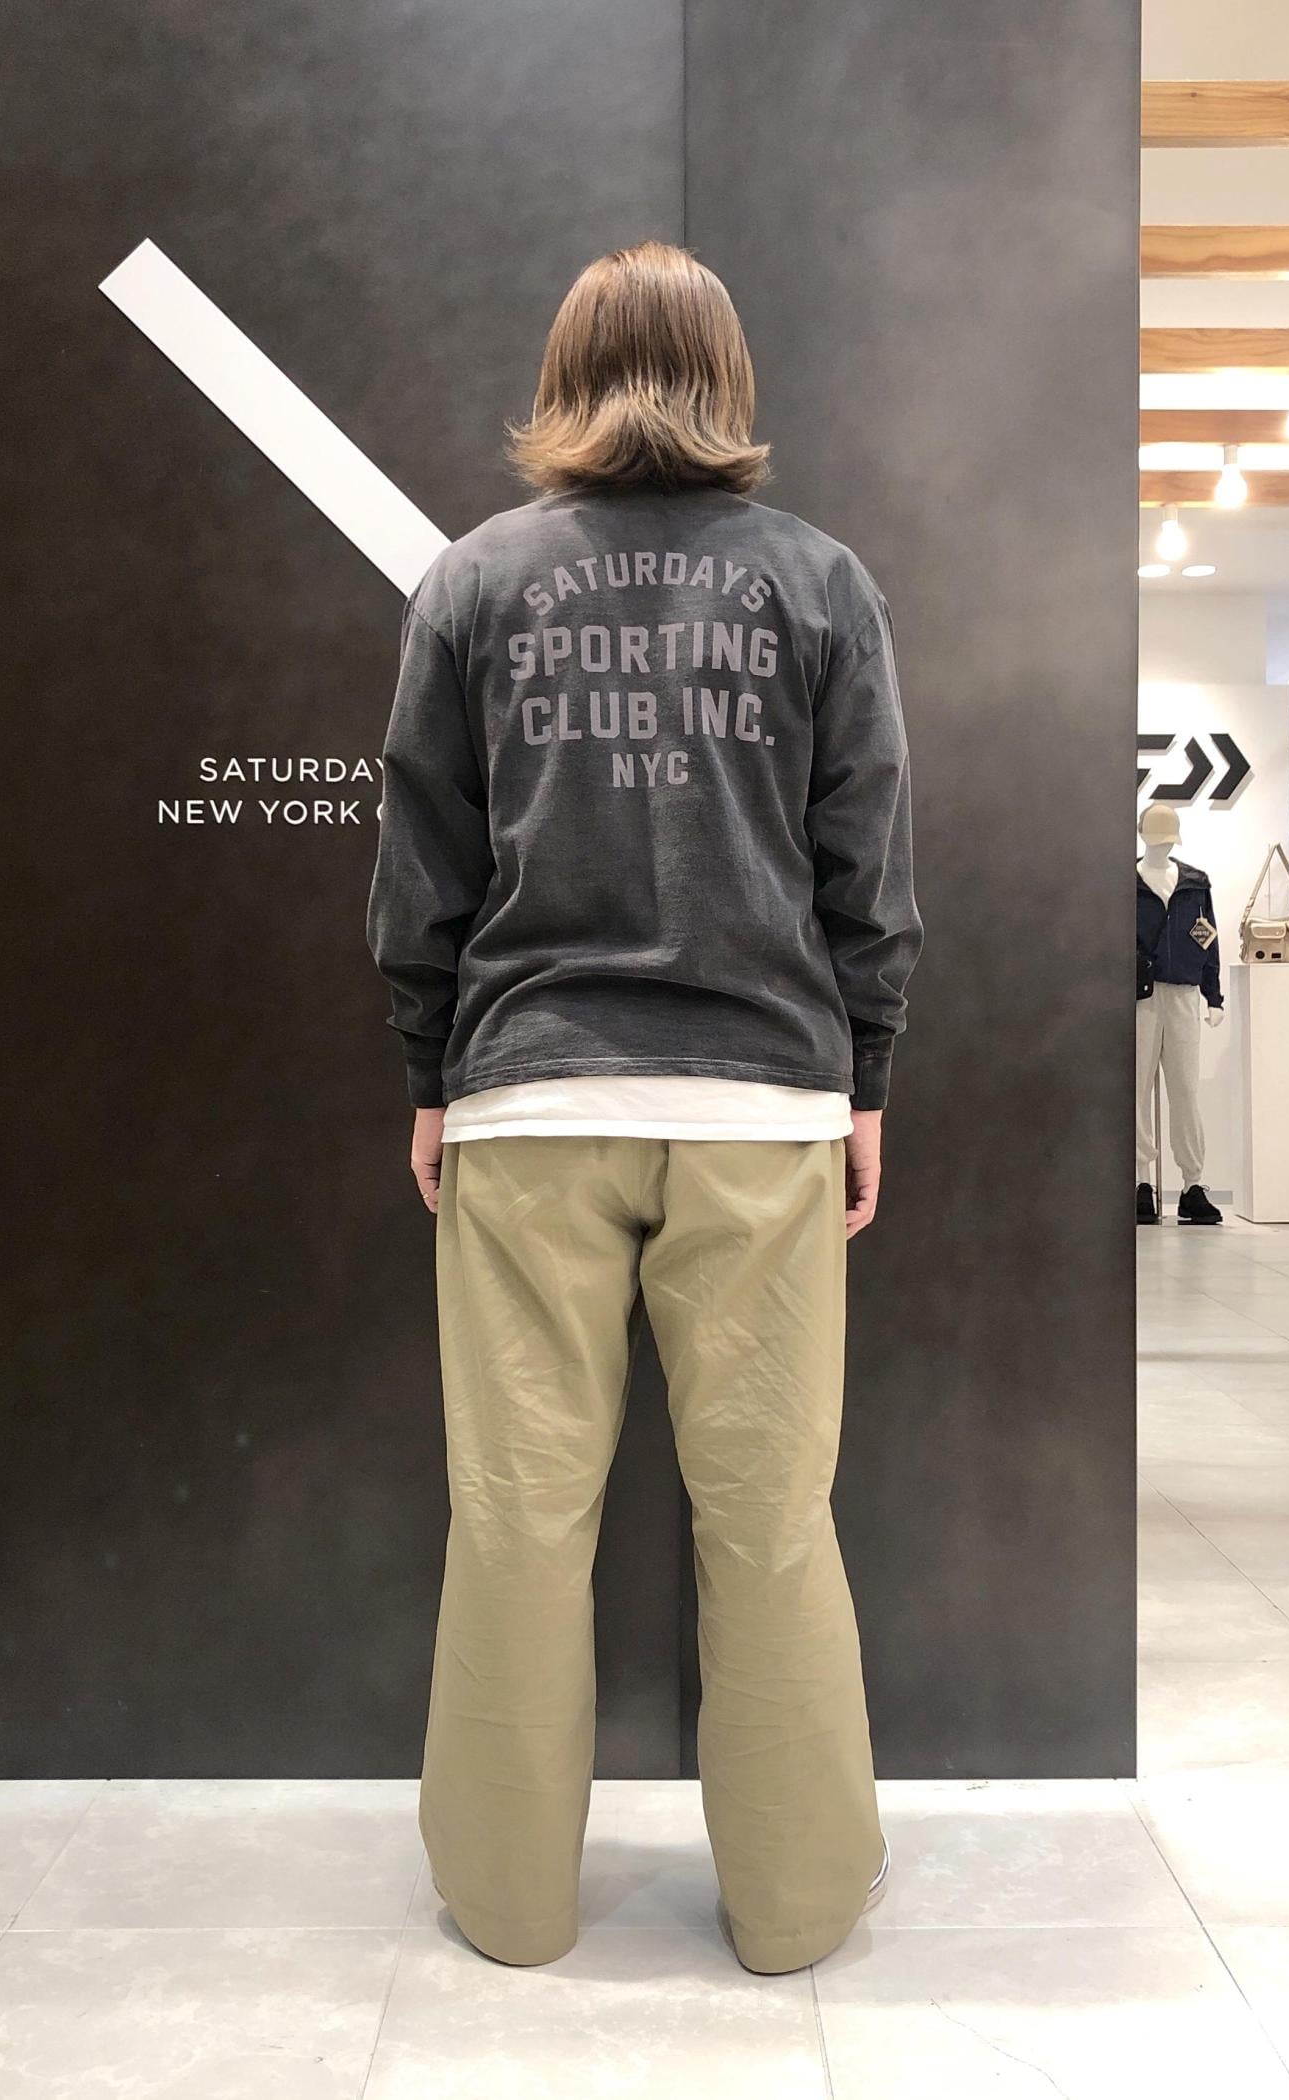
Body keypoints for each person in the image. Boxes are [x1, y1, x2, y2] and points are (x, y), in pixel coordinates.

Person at [366, 240, 923, 1975]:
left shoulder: (475, 581)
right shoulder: (819, 583)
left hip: (531, 1100)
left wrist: (431, 1072)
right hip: (761, 1104)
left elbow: (421, 872)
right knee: (769, 1518)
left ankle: (509, 1904)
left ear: (566, 371)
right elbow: (868, 868)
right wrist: (866, 1077)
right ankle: (796, 1908)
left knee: (517, 1517)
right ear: (727, 375)